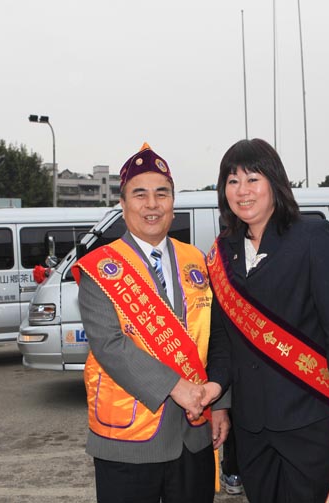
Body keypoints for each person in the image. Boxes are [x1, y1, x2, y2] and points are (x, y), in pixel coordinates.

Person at [202, 138, 329, 503]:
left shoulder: (311, 237)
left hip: (311, 418)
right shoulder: (222, 251)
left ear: (275, 183)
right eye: (232, 181)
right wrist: (220, 404)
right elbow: (223, 338)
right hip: (251, 426)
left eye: (253, 179)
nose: (242, 191)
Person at [72, 143, 218, 503]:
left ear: (173, 203)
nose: (152, 204)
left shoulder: (197, 260)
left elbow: (216, 337)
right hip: (128, 439)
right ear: (122, 204)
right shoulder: (100, 268)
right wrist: (177, 387)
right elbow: (110, 346)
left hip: (194, 434)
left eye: (162, 194)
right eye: (140, 194)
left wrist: (221, 405)